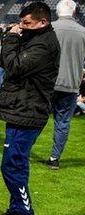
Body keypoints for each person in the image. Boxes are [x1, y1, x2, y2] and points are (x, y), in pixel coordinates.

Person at [0, 2, 60, 215]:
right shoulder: (36, 39)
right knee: (16, 164)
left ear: (43, 22)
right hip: (22, 109)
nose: (22, 27)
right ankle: (16, 210)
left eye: (27, 23)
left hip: (29, 112)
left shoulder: (45, 44)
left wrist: (10, 39)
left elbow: (13, 66)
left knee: (12, 165)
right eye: (21, 22)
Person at [45, 0, 85, 170]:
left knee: (36, 118)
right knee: (62, 122)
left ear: (57, 11)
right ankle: (54, 158)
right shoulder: (83, 32)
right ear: (74, 12)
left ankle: (22, 152)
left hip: (47, 83)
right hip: (70, 84)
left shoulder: (48, 29)